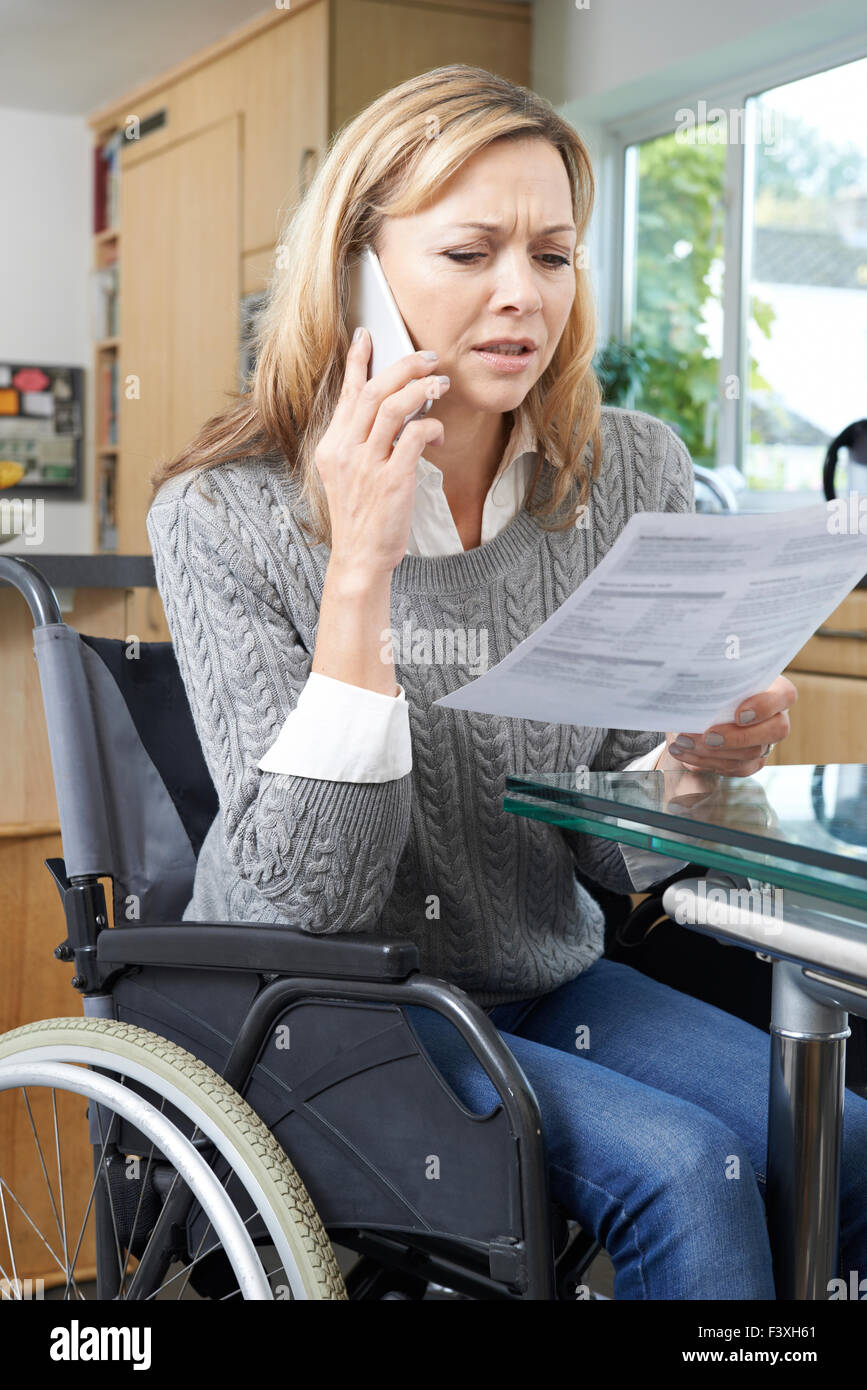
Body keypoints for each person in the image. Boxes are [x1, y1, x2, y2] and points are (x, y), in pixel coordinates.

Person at [146, 63, 866, 1299]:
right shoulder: (226, 514)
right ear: (357, 270)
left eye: (553, 254)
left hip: (546, 976)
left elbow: (607, 846)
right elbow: (306, 900)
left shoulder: (626, 470)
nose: (521, 296)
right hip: (327, 1009)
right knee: (688, 1174)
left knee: (844, 1146)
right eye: (471, 251)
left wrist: (683, 766)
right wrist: (361, 565)